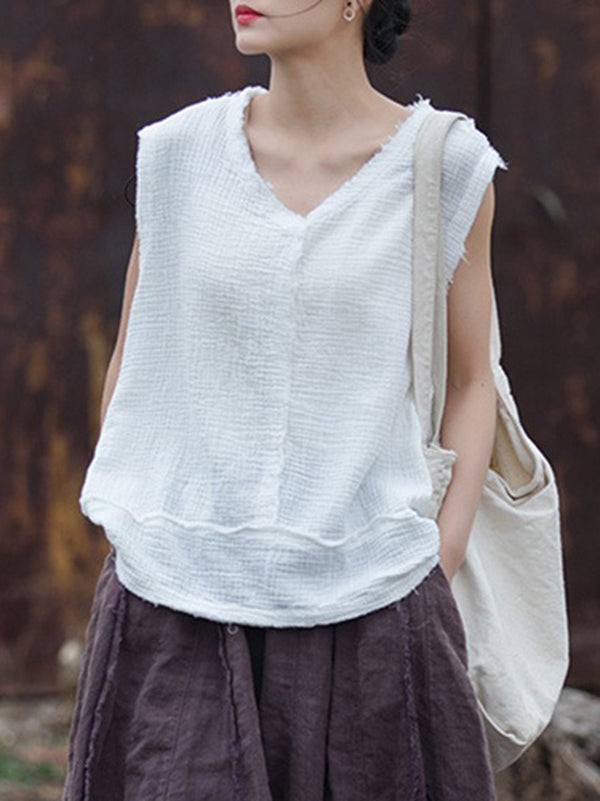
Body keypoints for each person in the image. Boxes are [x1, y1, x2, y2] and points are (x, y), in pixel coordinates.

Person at [62, 0, 510, 798]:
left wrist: (434, 560)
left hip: (373, 609)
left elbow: (474, 380)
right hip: (177, 607)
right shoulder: (177, 154)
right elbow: (137, 356)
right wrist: (135, 524)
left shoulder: (443, 164)